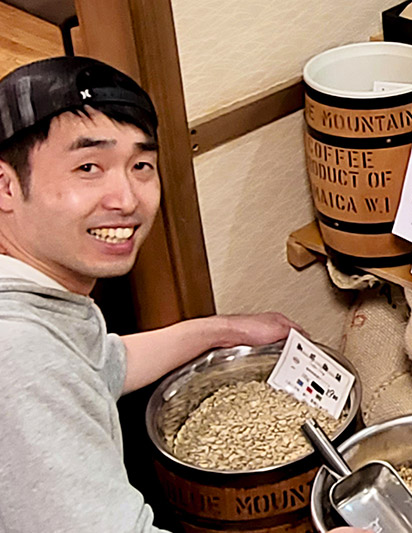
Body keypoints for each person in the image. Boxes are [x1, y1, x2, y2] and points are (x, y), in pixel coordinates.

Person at [0, 57, 366, 533]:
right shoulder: (23, 357)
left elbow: (99, 364)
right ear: (6, 185)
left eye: (140, 166)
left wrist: (224, 330)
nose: (125, 199)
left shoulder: (39, 302)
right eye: (88, 167)